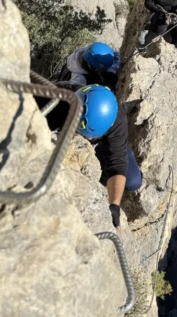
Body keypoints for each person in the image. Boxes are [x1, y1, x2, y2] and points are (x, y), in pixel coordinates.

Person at [40, 84, 142, 232]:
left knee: (133, 181)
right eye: (83, 133)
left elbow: (118, 164)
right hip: (65, 133)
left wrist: (114, 205)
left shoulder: (115, 116)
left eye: (88, 135)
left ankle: (103, 173)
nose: (86, 138)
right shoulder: (58, 100)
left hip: (104, 145)